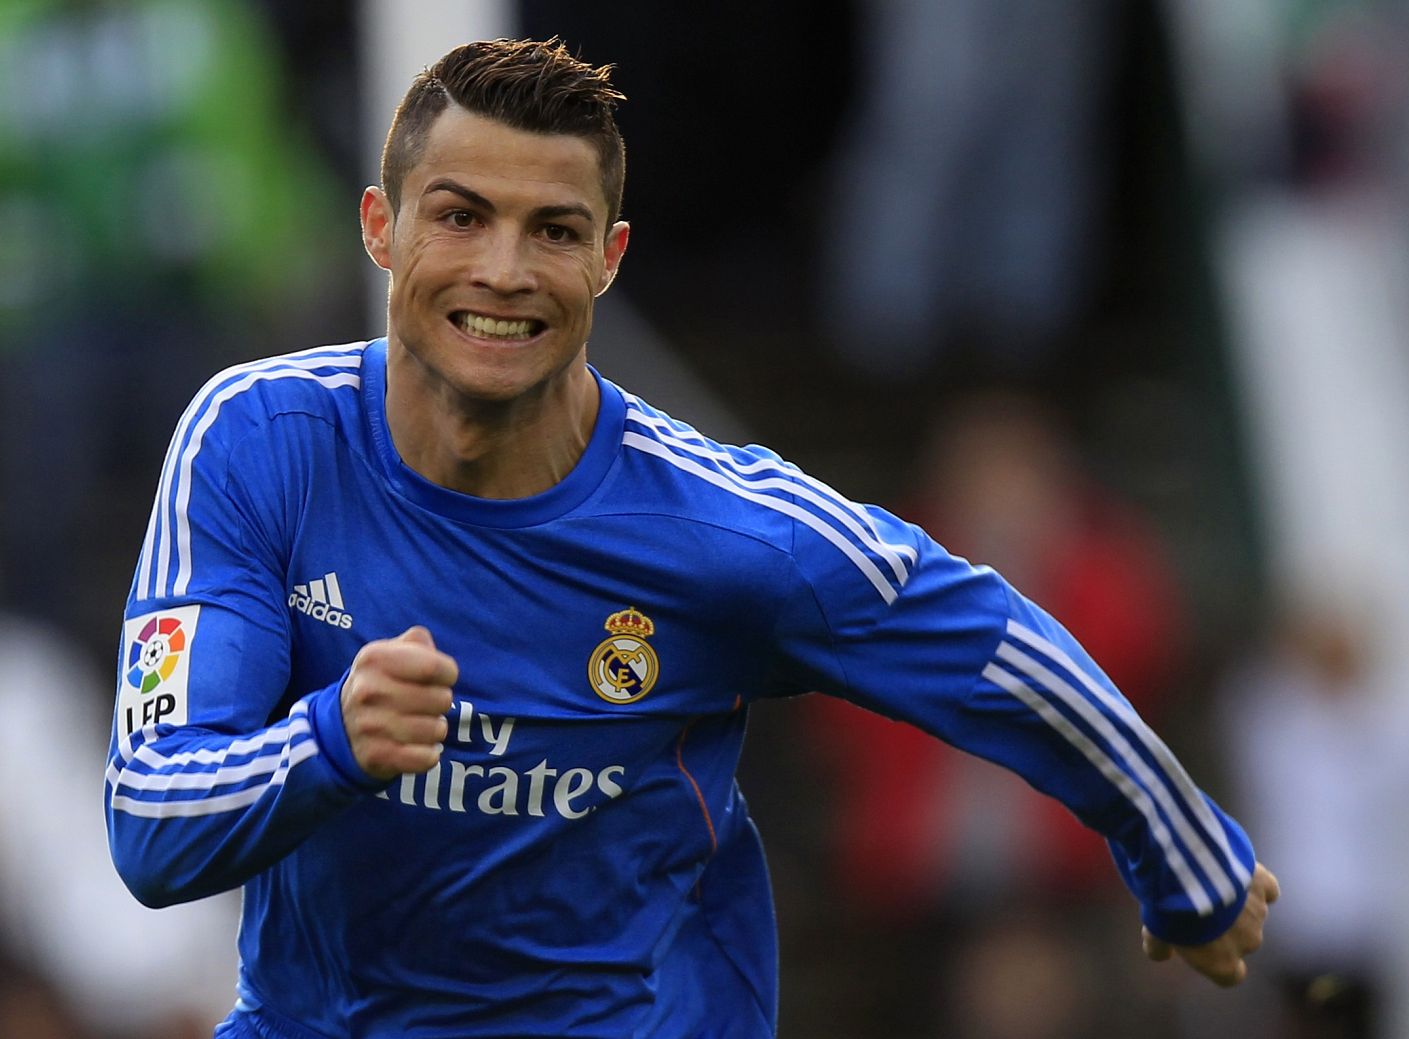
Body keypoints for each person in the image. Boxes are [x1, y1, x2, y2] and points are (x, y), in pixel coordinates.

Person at [103, 37, 1278, 1038]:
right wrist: (330, 742)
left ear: (608, 259)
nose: (502, 271)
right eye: (461, 217)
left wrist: (1176, 850)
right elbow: (153, 823)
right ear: (381, 228)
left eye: (553, 230)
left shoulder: (728, 530)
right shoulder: (257, 443)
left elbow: (990, 644)